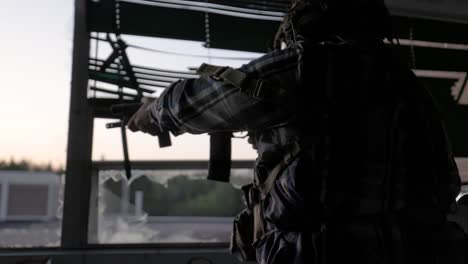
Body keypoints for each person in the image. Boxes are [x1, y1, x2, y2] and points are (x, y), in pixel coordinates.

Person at [127, 0, 465, 263]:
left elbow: (201, 103)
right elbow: (446, 180)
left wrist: (153, 111)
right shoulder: (407, 86)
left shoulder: (311, 66)